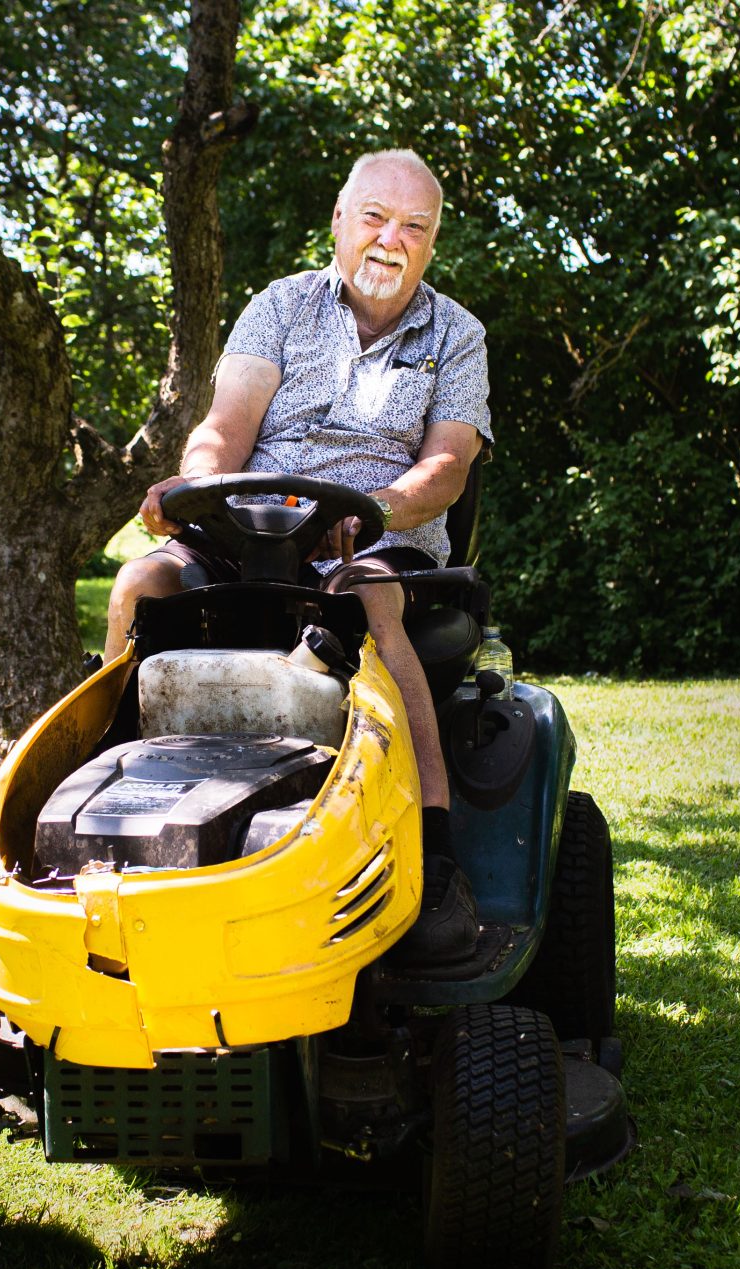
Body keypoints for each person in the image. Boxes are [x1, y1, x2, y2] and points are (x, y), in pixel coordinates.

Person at [103, 148, 490, 970]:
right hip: (253, 530)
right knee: (142, 584)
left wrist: (375, 510)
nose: (392, 239)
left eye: (414, 228)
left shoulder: (457, 335)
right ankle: (104, 800)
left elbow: (446, 468)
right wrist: (199, 488)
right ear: (340, 224)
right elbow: (225, 425)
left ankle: (433, 849)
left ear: (431, 246)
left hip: (379, 539)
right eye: (376, 219)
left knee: (366, 602)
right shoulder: (278, 307)